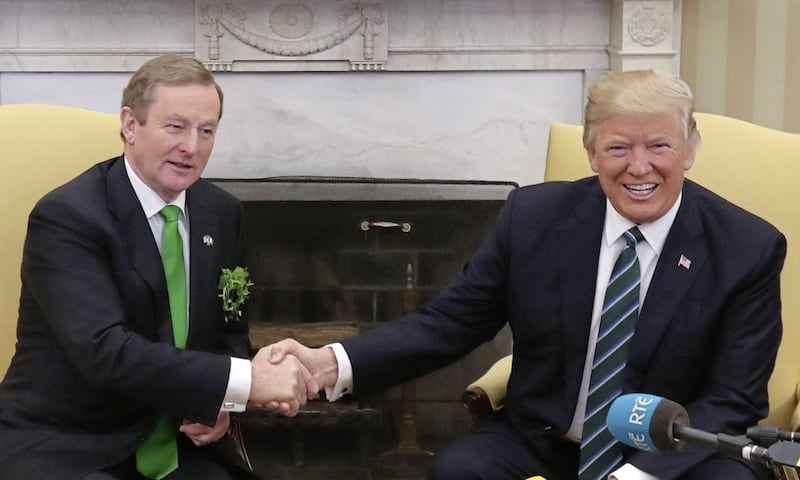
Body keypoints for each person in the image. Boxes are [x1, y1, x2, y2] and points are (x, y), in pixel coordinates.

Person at [268, 69, 786, 480]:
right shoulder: (534, 218)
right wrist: (328, 364)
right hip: (546, 441)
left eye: (659, 146)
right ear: (590, 151)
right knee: (459, 468)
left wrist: (635, 476)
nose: (639, 166)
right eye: (617, 148)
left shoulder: (747, 247)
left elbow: (732, 399)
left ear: (690, 149)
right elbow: (449, 323)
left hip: (672, 456)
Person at [0, 54, 317, 480]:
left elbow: (229, 330)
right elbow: (105, 352)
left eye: (207, 130)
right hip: (70, 444)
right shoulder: (68, 216)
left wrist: (220, 405)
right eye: (176, 127)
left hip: (177, 439)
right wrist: (243, 382)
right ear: (131, 125)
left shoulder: (222, 213)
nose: (192, 146)